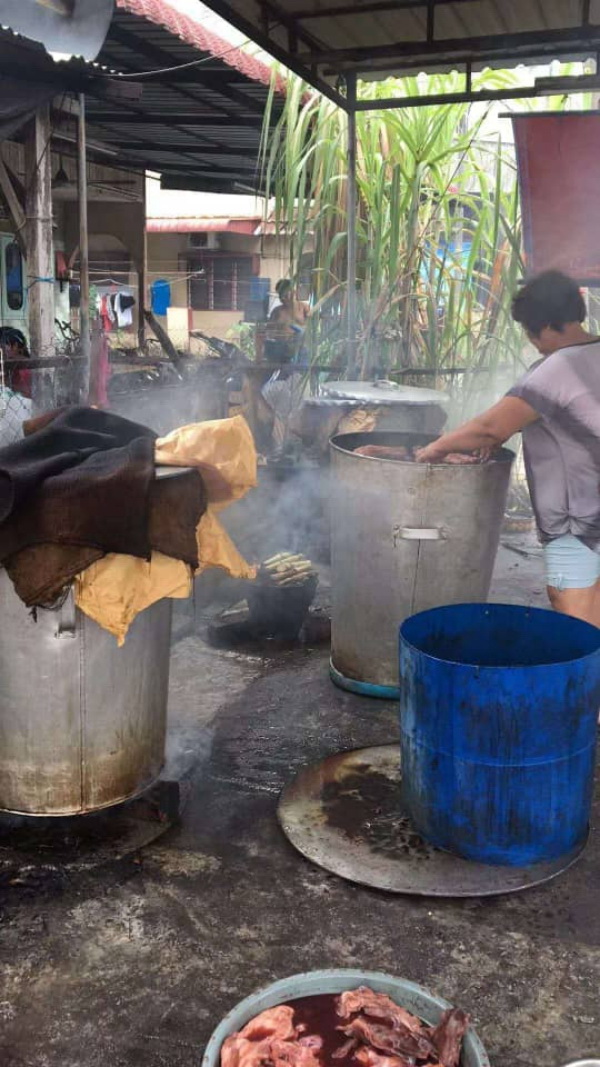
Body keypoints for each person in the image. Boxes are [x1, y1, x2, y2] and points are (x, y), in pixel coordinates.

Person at [416, 270, 600, 627]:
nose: (531, 340)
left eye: (529, 331)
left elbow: (488, 428)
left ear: (544, 325)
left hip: (577, 522)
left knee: (574, 610)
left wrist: (434, 450)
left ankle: (587, 681)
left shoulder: (557, 367)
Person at [0, 327, 32, 399]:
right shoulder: (12, 366)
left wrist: (7, 384)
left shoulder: (24, 369)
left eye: (3, 346)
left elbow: (26, 392)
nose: (2, 350)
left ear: (15, 346)